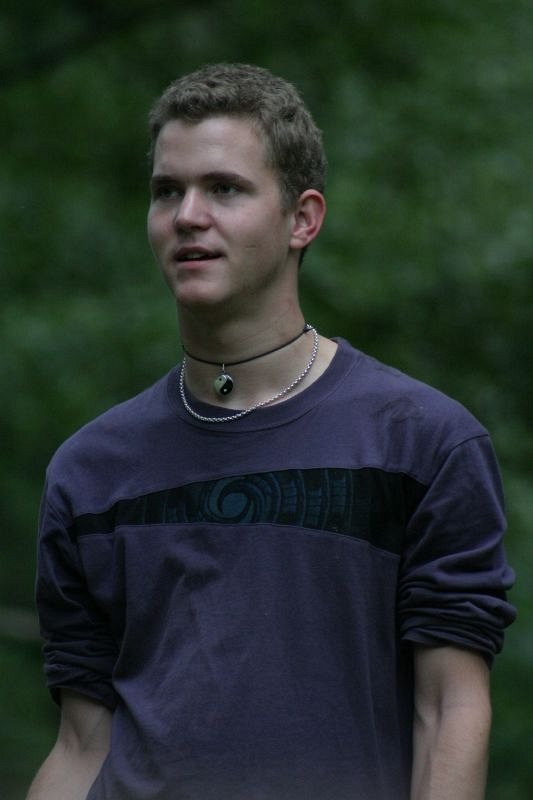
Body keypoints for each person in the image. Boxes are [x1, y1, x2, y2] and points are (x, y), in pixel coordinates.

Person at [28, 63, 515, 800]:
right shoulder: (90, 468)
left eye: (224, 188)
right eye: (168, 191)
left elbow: (448, 711)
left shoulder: (423, 443)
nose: (188, 215)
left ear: (302, 219)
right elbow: (80, 742)